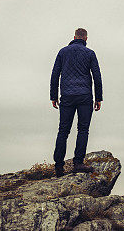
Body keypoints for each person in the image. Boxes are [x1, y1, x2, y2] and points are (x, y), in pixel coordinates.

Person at [50, 27, 103, 177]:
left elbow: (55, 75)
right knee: (83, 129)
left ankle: (59, 166)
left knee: (63, 130)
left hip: (66, 95)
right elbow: (97, 77)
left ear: (74, 37)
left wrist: (53, 96)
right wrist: (98, 98)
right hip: (85, 96)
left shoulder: (63, 52)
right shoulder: (90, 53)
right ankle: (78, 163)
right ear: (86, 39)